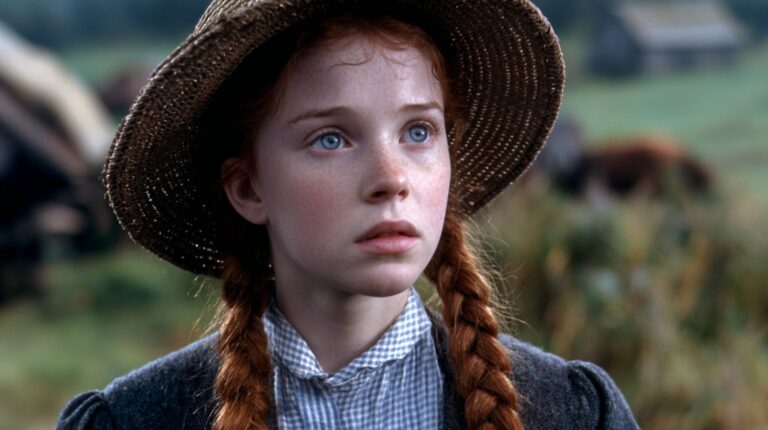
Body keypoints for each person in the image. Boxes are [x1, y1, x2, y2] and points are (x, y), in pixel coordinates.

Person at [57, 1, 640, 429]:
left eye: (419, 131)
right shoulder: (133, 422)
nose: (392, 179)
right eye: (330, 139)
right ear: (248, 188)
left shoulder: (571, 412)